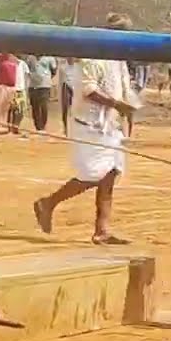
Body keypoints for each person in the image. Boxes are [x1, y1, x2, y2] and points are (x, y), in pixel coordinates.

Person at [32, 14, 140, 245]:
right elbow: (88, 91)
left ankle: (102, 230)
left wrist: (128, 113)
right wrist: (118, 104)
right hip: (89, 125)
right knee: (93, 175)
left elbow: (123, 90)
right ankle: (48, 203)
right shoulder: (92, 58)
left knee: (110, 176)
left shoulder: (120, 60)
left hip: (111, 126)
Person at [25, 55, 57, 131]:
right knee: (34, 106)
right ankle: (38, 127)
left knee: (44, 106)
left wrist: (46, 77)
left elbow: (54, 71)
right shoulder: (30, 58)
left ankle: (43, 126)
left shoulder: (50, 58)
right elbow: (27, 70)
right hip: (33, 85)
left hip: (45, 85)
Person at [0, 53, 19, 134]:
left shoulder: (11, 61)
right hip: (4, 86)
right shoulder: (4, 60)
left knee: (2, 108)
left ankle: (0, 126)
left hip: (7, 86)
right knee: (0, 108)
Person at [60, 57, 80, 136]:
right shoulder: (63, 67)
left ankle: (72, 130)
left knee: (73, 110)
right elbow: (61, 81)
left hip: (75, 88)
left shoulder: (77, 68)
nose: (71, 59)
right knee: (65, 108)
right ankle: (65, 129)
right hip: (66, 87)